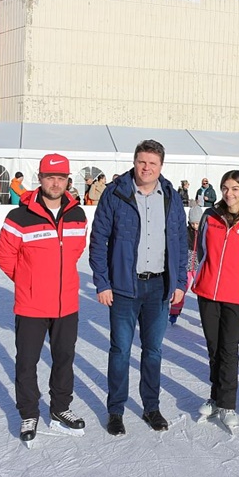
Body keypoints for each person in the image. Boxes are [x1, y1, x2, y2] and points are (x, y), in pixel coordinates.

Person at [89, 139, 188, 436]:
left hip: (158, 286)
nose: (146, 167)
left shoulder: (171, 196)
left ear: (161, 166)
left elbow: (181, 242)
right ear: (134, 162)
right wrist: (102, 282)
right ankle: (116, 410)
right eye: (142, 161)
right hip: (122, 287)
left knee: (153, 351)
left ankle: (151, 407)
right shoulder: (115, 193)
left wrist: (180, 281)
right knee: (119, 350)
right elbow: (98, 240)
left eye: (153, 163)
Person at [0, 153, 88, 446]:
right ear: (40, 178)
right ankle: (29, 411)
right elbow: (4, 255)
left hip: (66, 304)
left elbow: (75, 251)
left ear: (67, 181)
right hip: (31, 303)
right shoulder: (19, 216)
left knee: (64, 358)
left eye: (61, 178)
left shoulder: (78, 214)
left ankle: (60, 408)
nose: (55, 183)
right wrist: (28, 281)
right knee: (27, 361)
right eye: (50, 177)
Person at [192, 170, 239, 429]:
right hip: (207, 293)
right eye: (225, 188)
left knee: (229, 349)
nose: (229, 193)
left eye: (235, 188)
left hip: (236, 296)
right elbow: (200, 249)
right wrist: (206, 273)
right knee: (214, 348)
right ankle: (215, 398)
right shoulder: (210, 216)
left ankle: (227, 404)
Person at [168, 205, 202, 325]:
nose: (195, 226)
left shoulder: (205, 232)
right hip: (186, 266)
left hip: (199, 266)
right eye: (193, 223)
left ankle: (206, 316)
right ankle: (174, 312)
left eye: (197, 223)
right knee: (181, 289)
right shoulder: (186, 232)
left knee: (202, 291)